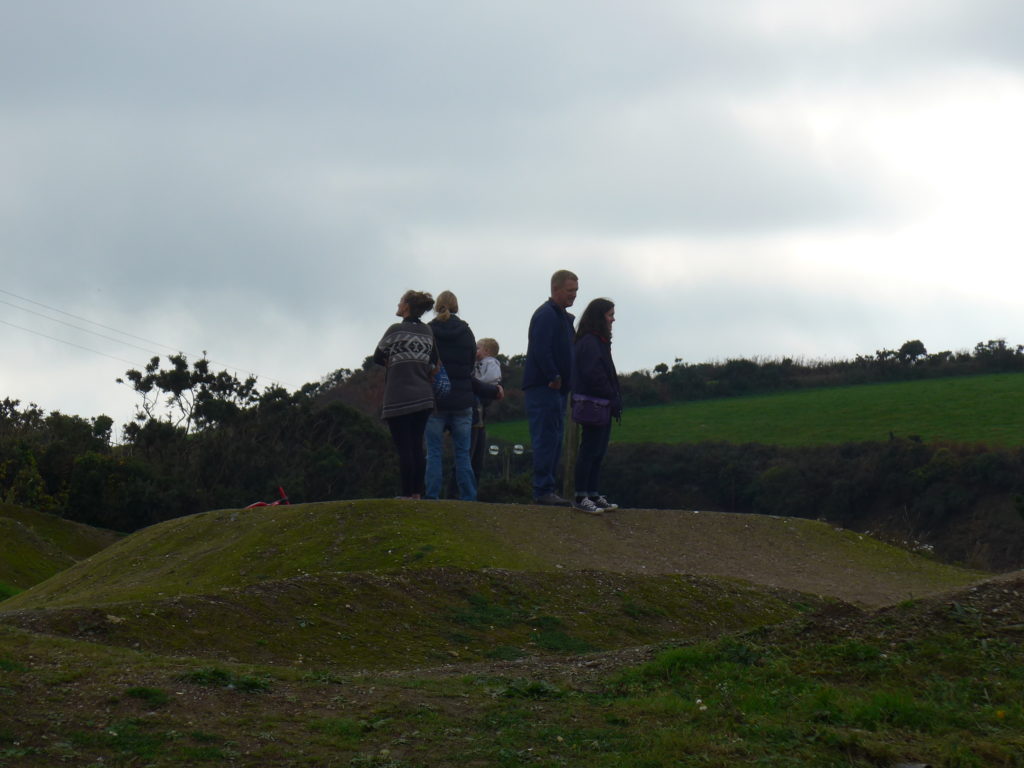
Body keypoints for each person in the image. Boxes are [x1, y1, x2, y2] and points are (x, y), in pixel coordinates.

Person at [373, 290, 437, 499]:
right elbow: (433, 360)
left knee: (404, 448)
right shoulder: (428, 331)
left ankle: (406, 493)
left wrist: (394, 361)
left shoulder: (395, 330)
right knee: (417, 446)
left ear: (407, 306)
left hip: (398, 396)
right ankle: (418, 493)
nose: (398, 304)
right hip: (424, 396)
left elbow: (377, 356)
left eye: (400, 301)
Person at [523, 269, 578, 505]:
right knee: (546, 438)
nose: (574, 295)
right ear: (556, 289)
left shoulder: (562, 318)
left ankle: (548, 488)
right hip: (545, 387)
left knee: (555, 439)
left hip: (557, 389)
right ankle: (543, 490)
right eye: (570, 291)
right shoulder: (546, 315)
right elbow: (541, 348)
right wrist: (554, 375)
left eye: (576, 291)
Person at [425, 291, 487, 501]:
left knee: (434, 452)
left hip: (436, 400)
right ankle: (468, 497)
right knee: (462, 453)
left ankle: (432, 496)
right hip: (462, 400)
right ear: (456, 306)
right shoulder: (466, 332)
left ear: (437, 307)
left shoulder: (430, 330)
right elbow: (471, 363)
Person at [571, 298, 622, 514]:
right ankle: (581, 495)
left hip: (602, 403)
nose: (613, 319)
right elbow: (594, 374)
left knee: (598, 450)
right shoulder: (590, 342)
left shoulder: (597, 341)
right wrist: (611, 395)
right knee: (590, 449)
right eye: (610, 315)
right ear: (600, 317)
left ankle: (592, 492)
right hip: (595, 403)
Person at [470, 338, 503, 481]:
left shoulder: (492, 362)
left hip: (485, 392)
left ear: (487, 351)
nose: (475, 351)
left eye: (478, 348)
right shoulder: (477, 363)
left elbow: (492, 377)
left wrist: (479, 384)